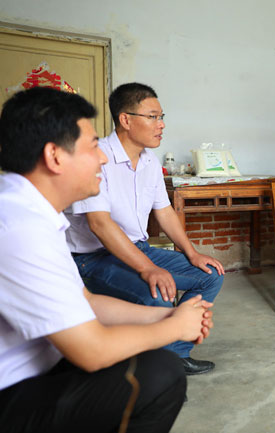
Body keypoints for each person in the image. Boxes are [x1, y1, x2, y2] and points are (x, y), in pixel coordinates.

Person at [0, 87, 214, 432]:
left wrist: (166, 316)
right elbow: (92, 351)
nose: (101, 158)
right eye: (91, 146)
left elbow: (86, 301)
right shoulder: (19, 228)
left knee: (150, 352)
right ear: (54, 156)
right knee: (160, 373)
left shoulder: (32, 213)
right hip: (12, 390)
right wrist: (173, 328)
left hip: (45, 363)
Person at [65, 83, 224, 375]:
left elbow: (164, 211)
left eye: (162, 117)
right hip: (93, 257)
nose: (161, 125)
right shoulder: (97, 156)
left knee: (210, 275)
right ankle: (157, 370)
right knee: (157, 293)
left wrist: (192, 253)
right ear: (125, 120)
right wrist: (148, 269)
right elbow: (99, 224)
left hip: (137, 249)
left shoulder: (150, 161)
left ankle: (175, 357)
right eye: (152, 117)